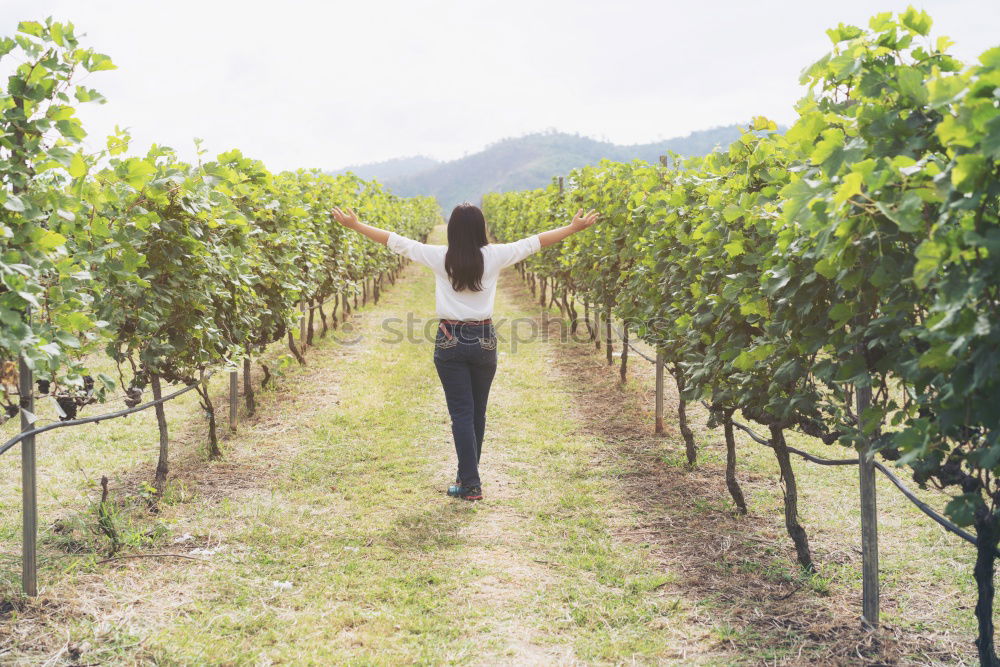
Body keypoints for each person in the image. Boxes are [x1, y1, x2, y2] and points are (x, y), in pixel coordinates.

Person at [330, 202, 600, 501]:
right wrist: (573, 228)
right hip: (484, 337)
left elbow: (396, 241)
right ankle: (468, 477)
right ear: (481, 227)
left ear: (452, 230)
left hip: (450, 337)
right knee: (478, 412)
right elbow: (535, 242)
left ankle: (470, 481)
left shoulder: (440, 257)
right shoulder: (494, 256)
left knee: (461, 413)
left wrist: (355, 225)